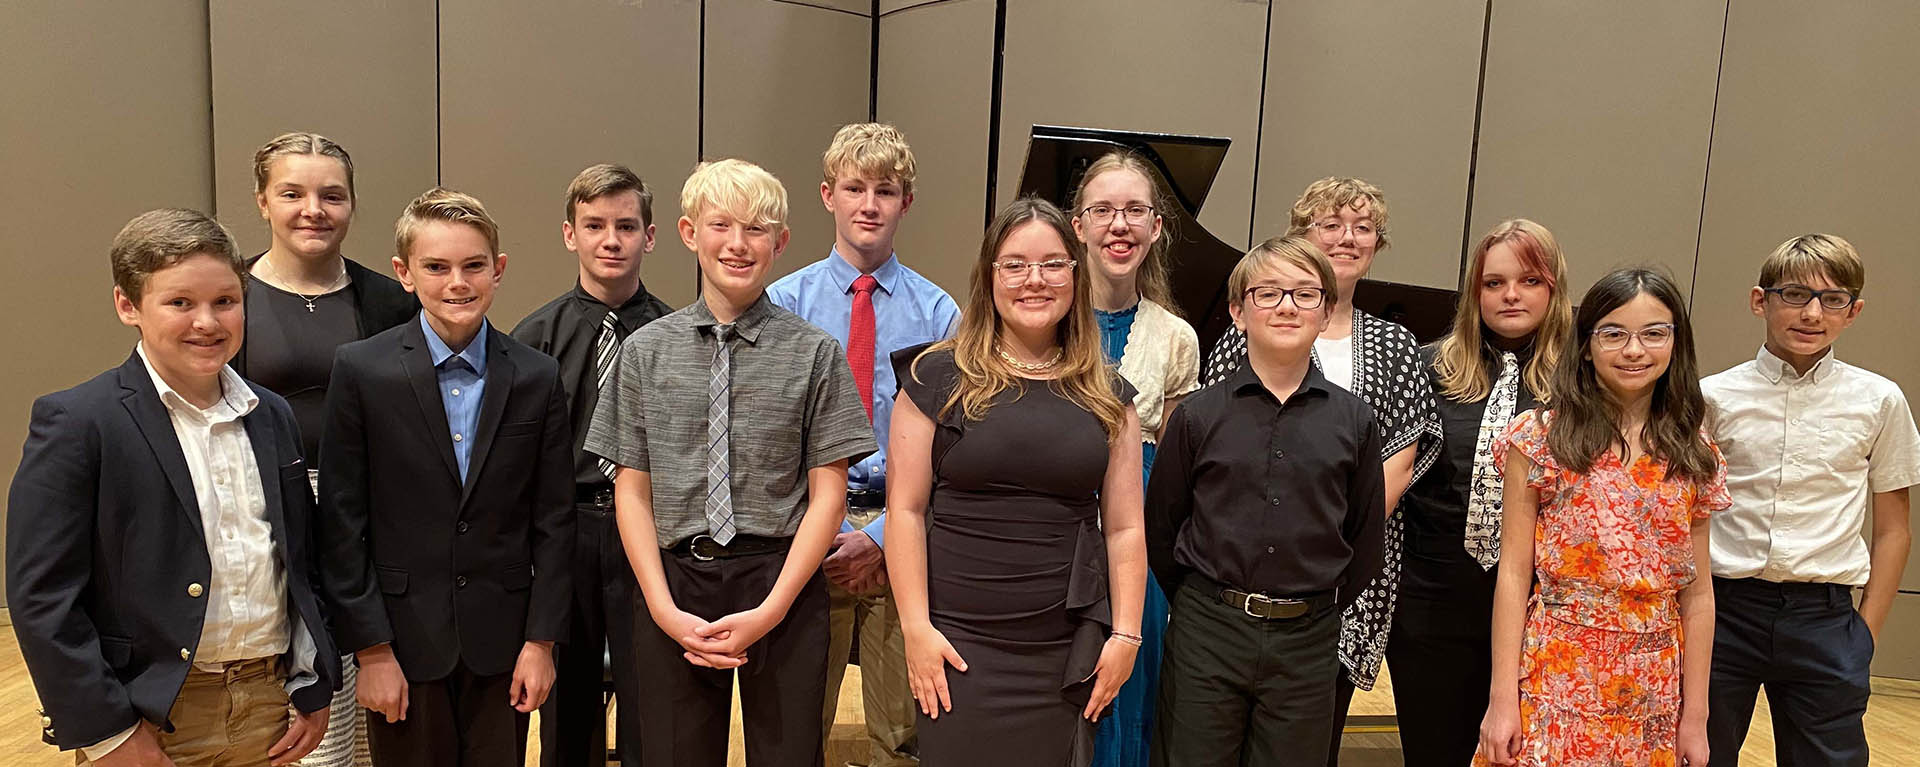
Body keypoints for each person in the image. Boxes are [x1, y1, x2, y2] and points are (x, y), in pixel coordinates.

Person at [7, 208, 338, 766]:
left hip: (266, 702)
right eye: (180, 303)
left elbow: (298, 562)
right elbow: (43, 597)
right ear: (127, 305)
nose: (206, 322)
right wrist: (107, 730)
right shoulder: (79, 421)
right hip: (150, 714)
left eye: (225, 302)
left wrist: (313, 683)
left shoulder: (271, 415)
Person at [584, 158, 877, 767]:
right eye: (721, 226)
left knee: (789, 754)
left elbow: (829, 496)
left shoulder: (814, 353)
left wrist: (772, 609)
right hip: (674, 581)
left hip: (782, 580)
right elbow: (632, 494)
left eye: (757, 229)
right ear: (690, 233)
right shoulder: (644, 352)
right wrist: (663, 609)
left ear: (781, 242)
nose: (737, 245)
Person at [317, 188, 575, 767]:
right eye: (436, 267)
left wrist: (541, 641)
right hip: (403, 643)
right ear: (404, 274)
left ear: (498, 270)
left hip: (502, 642)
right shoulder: (362, 371)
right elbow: (341, 522)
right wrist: (372, 650)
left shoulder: (535, 376)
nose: (456, 282)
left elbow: (554, 520)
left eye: (473, 265)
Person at [886, 197, 1147, 766]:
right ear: (990, 275)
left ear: (1075, 275)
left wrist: (1126, 636)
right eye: (1016, 264)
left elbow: (1125, 528)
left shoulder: (1108, 395)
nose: (1036, 280)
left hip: (1063, 648)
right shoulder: (935, 377)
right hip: (957, 646)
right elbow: (904, 512)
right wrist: (915, 630)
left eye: (1054, 264)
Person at [1201, 177, 1433, 757]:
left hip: (1346, 578)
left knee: (1312, 742)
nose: (1346, 238)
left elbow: (1397, 466)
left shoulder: (1396, 344)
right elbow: (1213, 450)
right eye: (1330, 225)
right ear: (1302, 234)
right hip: (1240, 576)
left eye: (1363, 228)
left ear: (1378, 244)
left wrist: (1322, 548)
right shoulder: (1247, 333)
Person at [1148, 235, 1386, 767]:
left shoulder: (1355, 421)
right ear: (1238, 311)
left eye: (1305, 294)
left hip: (1308, 637)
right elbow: (1163, 529)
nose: (1286, 306)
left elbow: (1365, 538)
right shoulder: (1197, 416)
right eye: (1269, 293)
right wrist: (1203, 599)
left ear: (1326, 313)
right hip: (1209, 630)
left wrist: (1310, 603)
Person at [1476, 267, 1728, 767]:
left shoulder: (1696, 453)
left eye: (1654, 333)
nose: (1634, 350)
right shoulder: (1541, 437)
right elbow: (1513, 573)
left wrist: (1695, 715)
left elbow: (1697, 593)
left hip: (1653, 680)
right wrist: (1502, 699)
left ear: (1676, 343)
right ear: (1586, 345)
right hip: (1556, 668)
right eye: (1613, 334)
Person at [769, 122, 958, 767]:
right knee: (796, 720)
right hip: (802, 531)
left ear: (907, 202)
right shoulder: (780, 303)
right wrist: (818, 529)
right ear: (827, 196)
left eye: (886, 190)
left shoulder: (940, 315)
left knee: (900, 727)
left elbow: (952, 448)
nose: (869, 204)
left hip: (899, 528)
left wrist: (879, 537)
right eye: (854, 188)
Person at [232, 131, 417, 767]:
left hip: (362, 512)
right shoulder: (229, 298)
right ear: (262, 201)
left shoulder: (390, 300)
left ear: (351, 206)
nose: (313, 209)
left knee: (365, 685)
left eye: (331, 195)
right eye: (292, 193)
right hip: (263, 515)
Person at [1702, 234, 1919, 767]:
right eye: (1795, 294)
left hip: (1825, 620)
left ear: (1854, 311)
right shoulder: (1711, 397)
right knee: (1698, 756)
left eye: (1834, 299)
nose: (1813, 313)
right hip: (1724, 611)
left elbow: (1893, 528)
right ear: (1761, 300)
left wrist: (1862, 636)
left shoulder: (1879, 400)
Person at [1389, 220, 1572, 766]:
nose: (1510, 295)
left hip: (1545, 612)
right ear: (1474, 293)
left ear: (1555, 289)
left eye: (1529, 281)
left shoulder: (1581, 382)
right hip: (1432, 606)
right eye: (1493, 283)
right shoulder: (1424, 368)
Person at [512, 163, 674, 767]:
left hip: (652, 531)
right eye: (595, 225)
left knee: (651, 693)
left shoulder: (676, 335)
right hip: (566, 529)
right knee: (568, 699)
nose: (611, 240)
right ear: (569, 234)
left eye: (627, 226)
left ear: (649, 237)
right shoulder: (533, 340)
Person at [1067, 151, 1199, 767]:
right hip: (1060, 514)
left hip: (1139, 526)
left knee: (1131, 669)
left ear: (1156, 228)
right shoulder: (1048, 318)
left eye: (1135, 211)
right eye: (1104, 210)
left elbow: (1173, 463)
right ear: (1079, 226)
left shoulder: (1176, 337)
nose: (1119, 225)